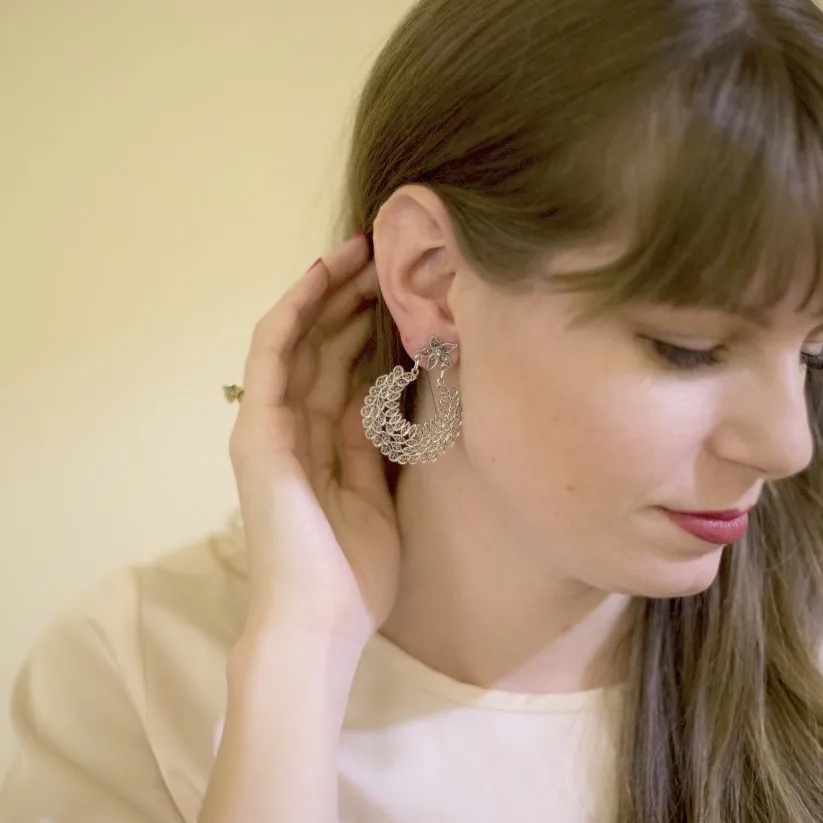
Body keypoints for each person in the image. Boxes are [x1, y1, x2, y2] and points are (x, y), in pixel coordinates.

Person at [4, 0, 823, 820]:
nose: (788, 443)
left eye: (814, 352)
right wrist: (302, 656)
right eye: (688, 347)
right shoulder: (139, 674)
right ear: (432, 277)